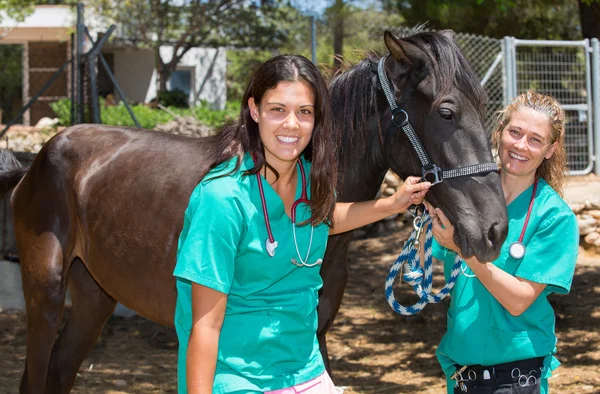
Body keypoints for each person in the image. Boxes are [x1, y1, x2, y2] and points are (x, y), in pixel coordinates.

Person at [173, 54, 431, 394]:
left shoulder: (311, 179)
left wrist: (391, 204)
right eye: (277, 109)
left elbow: (320, 219)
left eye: (304, 112)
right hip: (237, 377)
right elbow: (204, 327)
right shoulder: (222, 199)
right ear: (254, 110)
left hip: (305, 369)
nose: (291, 124)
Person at [424, 90, 579, 394]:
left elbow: (519, 300)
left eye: (535, 139)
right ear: (498, 133)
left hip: (515, 379)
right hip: (460, 375)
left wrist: (463, 249)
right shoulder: (463, 196)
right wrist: (427, 209)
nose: (521, 145)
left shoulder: (555, 217)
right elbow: (426, 262)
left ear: (550, 149)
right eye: (515, 132)